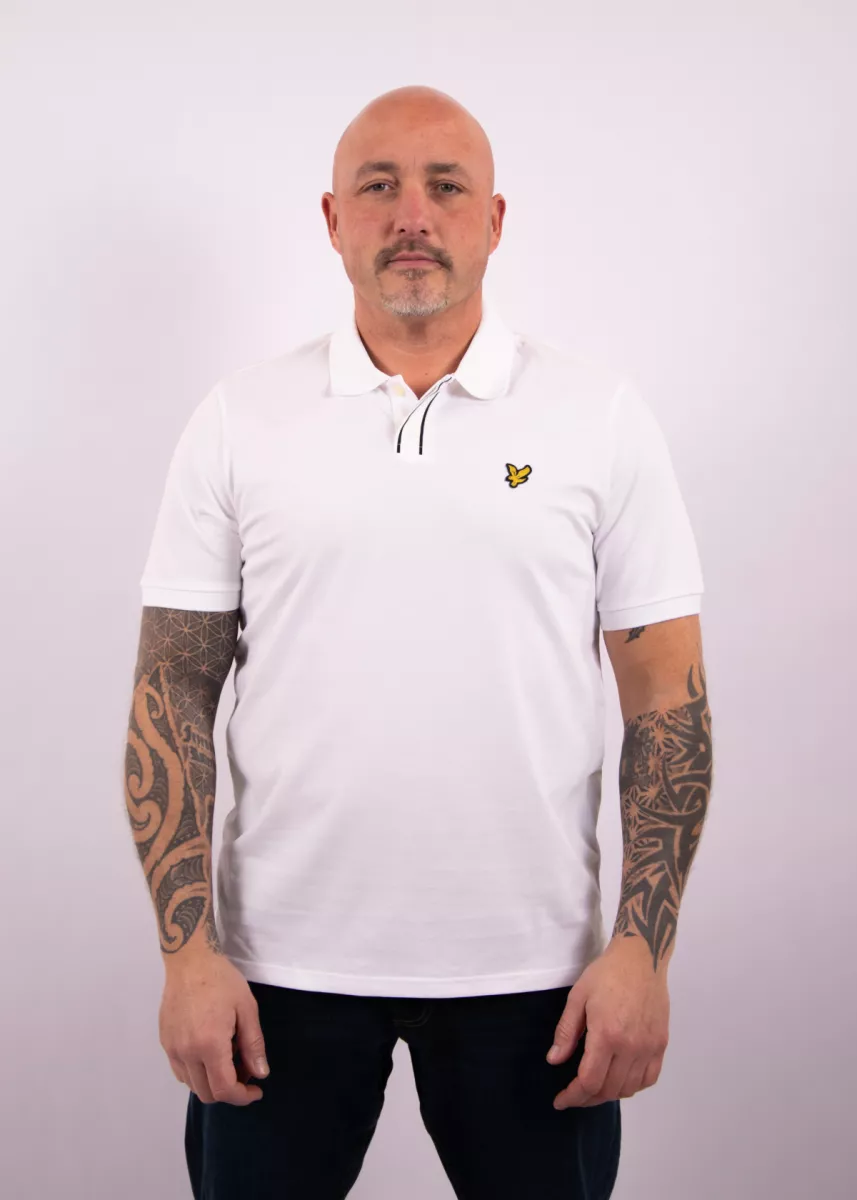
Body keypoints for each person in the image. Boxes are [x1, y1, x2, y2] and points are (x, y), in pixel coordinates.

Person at [124, 84, 713, 1200]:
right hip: (276, 973)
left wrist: (642, 952)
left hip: (535, 978)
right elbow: (172, 697)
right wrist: (187, 955)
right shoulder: (239, 420)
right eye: (377, 186)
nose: (411, 215)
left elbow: (665, 699)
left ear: (493, 220)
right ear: (330, 218)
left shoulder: (597, 417)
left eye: (445, 187)